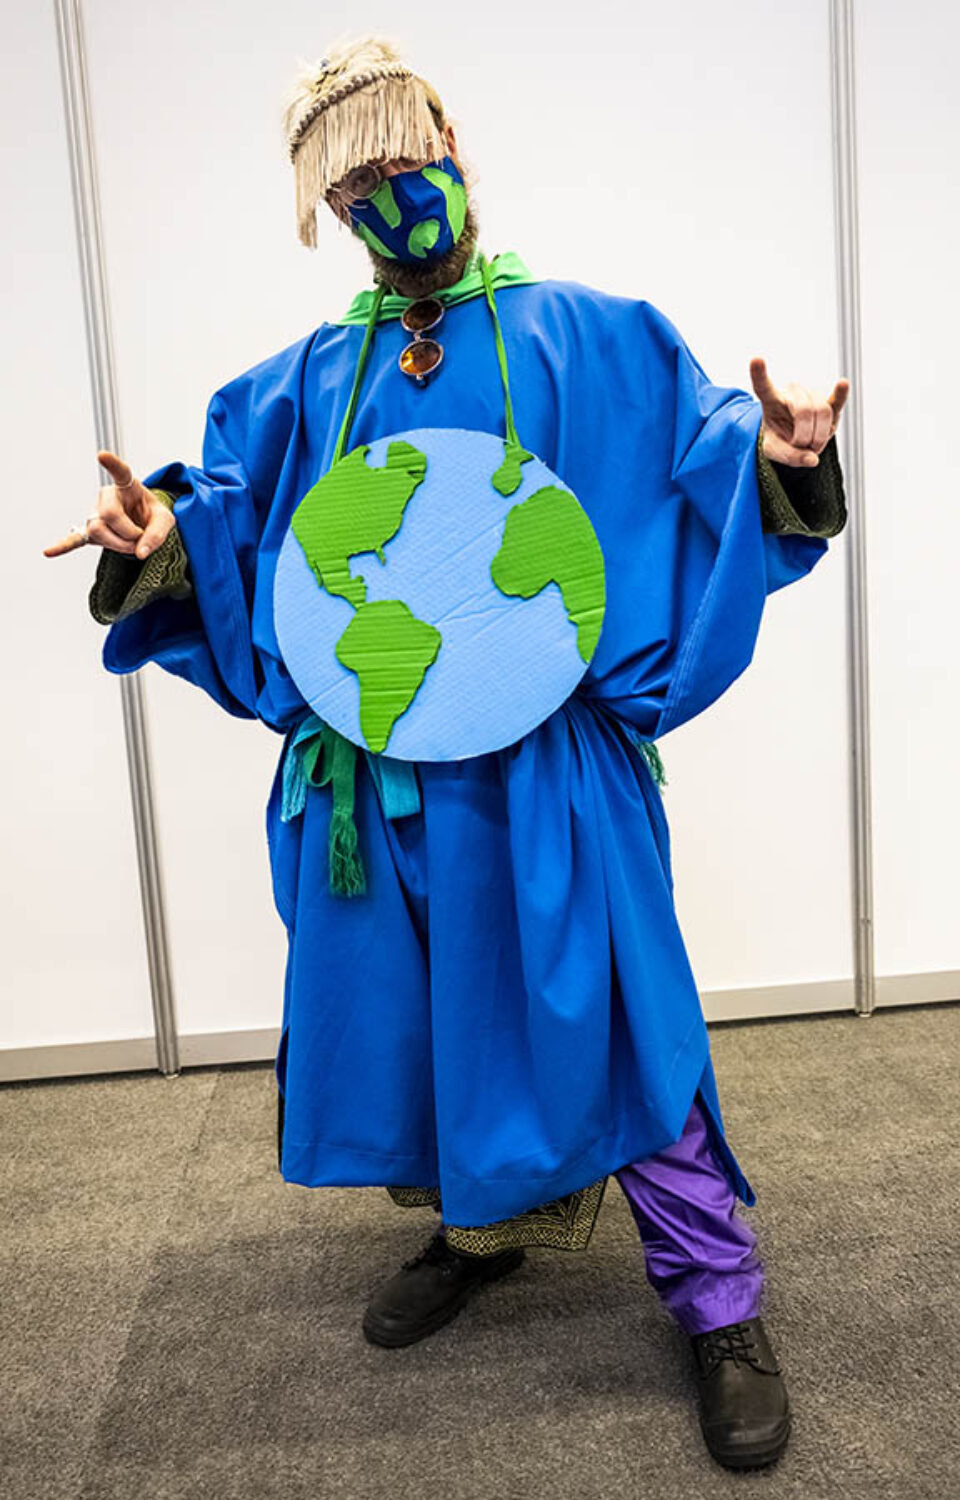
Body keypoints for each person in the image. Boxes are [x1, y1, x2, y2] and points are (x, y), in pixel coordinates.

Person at [44, 36, 849, 1471]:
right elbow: (234, 516)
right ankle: (478, 1227)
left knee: (617, 1021)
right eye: (354, 185)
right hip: (377, 783)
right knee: (427, 1026)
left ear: (453, 145)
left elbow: (704, 460)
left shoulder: (592, 337)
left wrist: (787, 464)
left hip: (549, 780)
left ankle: (720, 1305)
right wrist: (165, 537)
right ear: (328, 210)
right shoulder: (304, 381)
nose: (388, 199)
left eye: (403, 165)